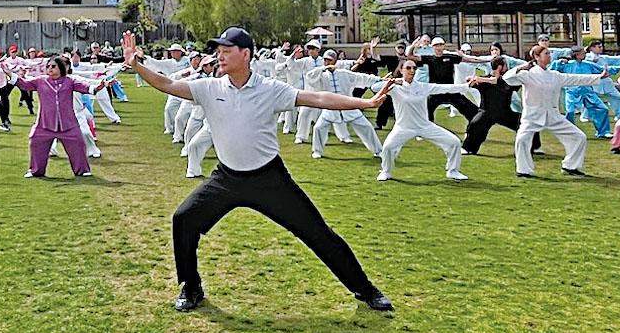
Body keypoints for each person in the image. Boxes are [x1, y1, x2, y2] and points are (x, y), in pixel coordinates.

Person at [122, 27, 394, 313]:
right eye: (218, 51)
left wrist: (365, 102)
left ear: (245, 54)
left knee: (318, 233)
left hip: (269, 178)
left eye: (227, 51)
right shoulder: (209, 87)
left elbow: (318, 99)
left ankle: (366, 289)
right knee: (184, 219)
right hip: (226, 178)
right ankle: (191, 288)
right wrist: (137, 65)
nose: (220, 56)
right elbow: (166, 84)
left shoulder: (270, 89)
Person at [504, 46, 608, 178]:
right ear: (537, 57)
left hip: (553, 116)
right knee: (522, 139)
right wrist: (521, 68)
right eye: (546, 53)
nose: (549, 55)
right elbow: (507, 78)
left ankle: (571, 166)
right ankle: (523, 170)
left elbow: (576, 78)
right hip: (532, 116)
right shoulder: (527, 74)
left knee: (579, 137)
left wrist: (599, 77)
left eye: (549, 53)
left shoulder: (554, 75)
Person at [377, 59, 469, 181]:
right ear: (401, 70)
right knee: (388, 147)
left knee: (454, 142)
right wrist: (392, 81)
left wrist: (466, 86)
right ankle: (386, 172)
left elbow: (444, 88)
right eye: (408, 68)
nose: (412, 71)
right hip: (403, 127)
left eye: (414, 68)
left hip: (424, 126)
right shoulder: (394, 88)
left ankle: (453, 171)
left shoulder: (422, 86)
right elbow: (375, 87)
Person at [7, 56, 94, 178]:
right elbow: (25, 84)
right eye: (48, 66)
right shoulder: (41, 81)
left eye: (53, 66)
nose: (50, 69)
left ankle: (82, 170)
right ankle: (35, 171)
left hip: (68, 124)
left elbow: (84, 87)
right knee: (36, 142)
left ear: (61, 68)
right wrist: (10, 74)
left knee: (78, 143)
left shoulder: (69, 81)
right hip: (44, 124)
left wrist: (97, 87)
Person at [304, 50, 385, 159]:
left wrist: (379, 79)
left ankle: (378, 151)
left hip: (349, 107)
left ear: (335, 61)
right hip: (330, 108)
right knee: (318, 128)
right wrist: (323, 68)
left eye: (330, 60)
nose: (327, 62)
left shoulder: (343, 73)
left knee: (367, 127)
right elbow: (309, 76)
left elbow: (361, 78)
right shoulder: (321, 75)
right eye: (325, 60)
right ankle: (317, 151)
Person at [462, 58, 541, 156]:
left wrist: (526, 68)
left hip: (505, 113)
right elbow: (468, 79)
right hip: (486, 113)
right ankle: (467, 149)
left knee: (528, 122)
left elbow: (522, 80)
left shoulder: (508, 81)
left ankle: (535, 147)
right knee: (475, 124)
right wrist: (486, 80)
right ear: (500, 67)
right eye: (506, 66)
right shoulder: (484, 79)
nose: (507, 68)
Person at [550, 47, 613, 138]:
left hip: (588, 92)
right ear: (576, 55)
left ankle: (603, 132)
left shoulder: (588, 64)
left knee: (602, 108)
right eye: (583, 53)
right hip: (572, 93)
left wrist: (619, 67)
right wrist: (559, 62)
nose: (585, 54)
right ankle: (570, 132)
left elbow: (602, 69)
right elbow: (551, 70)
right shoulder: (567, 65)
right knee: (570, 112)